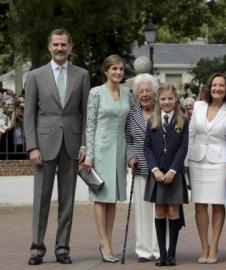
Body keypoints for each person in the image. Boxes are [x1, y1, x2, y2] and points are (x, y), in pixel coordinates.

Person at [23, 29, 90, 265]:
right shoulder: (35, 76)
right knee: (41, 199)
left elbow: (85, 114)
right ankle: (37, 249)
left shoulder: (82, 75)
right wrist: (32, 146)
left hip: (71, 145)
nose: (60, 48)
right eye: (56, 45)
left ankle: (62, 248)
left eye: (64, 44)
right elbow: (28, 115)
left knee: (67, 201)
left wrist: (84, 143)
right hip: (43, 146)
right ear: (49, 47)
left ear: (70, 46)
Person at [83, 55, 131, 263]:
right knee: (101, 198)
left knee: (112, 200)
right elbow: (90, 125)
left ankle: (108, 242)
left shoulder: (127, 93)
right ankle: (105, 243)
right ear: (106, 71)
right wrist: (90, 156)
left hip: (120, 151)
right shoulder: (96, 93)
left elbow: (130, 124)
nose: (118, 72)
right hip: (101, 151)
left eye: (120, 69)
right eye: (114, 69)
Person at [187, 72, 226, 264]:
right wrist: (186, 162)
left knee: (217, 204)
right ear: (209, 87)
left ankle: (214, 246)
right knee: (199, 205)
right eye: (214, 85)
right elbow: (190, 134)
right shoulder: (198, 106)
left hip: (220, 162)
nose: (217, 89)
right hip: (197, 160)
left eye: (221, 86)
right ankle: (204, 246)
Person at [144, 83, 189, 266]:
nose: (167, 102)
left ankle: (172, 253)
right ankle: (162, 254)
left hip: (173, 174)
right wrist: (155, 170)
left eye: (170, 98)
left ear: (175, 99)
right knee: (160, 211)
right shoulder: (152, 121)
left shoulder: (182, 121)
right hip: (157, 175)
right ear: (158, 100)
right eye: (163, 99)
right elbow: (146, 148)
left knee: (173, 211)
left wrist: (172, 170)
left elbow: (183, 147)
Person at [125, 73, 160, 263]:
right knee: (142, 210)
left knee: (159, 210)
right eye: (141, 91)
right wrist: (130, 157)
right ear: (136, 94)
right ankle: (144, 250)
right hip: (140, 168)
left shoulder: (162, 111)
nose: (145, 94)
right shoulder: (131, 114)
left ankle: (159, 248)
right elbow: (129, 140)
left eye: (148, 90)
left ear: (154, 92)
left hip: (159, 169)